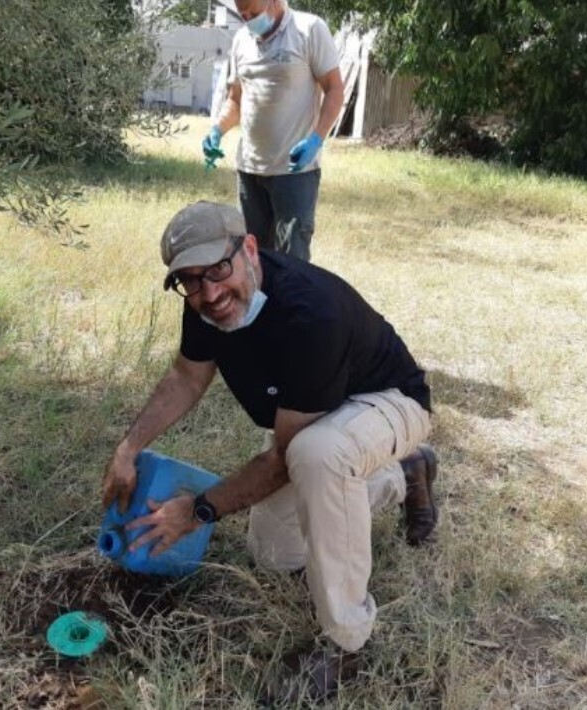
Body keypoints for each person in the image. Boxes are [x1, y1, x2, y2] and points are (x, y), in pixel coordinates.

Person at [101, 201, 439, 703]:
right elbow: (187, 375)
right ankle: (402, 476)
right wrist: (129, 448)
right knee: (277, 553)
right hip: (310, 419)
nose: (210, 293)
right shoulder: (205, 301)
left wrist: (196, 511)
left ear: (250, 249)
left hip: (388, 402)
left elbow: (283, 459)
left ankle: (346, 641)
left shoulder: (309, 313)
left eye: (218, 269)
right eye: (190, 281)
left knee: (317, 455)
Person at [202, 0, 344, 262]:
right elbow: (236, 100)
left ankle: (289, 306)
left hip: (294, 172)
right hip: (249, 171)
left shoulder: (309, 29)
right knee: (253, 260)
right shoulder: (241, 40)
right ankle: (263, 305)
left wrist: (316, 139)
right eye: (242, 15)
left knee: (293, 263)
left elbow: (335, 89)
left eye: (253, 13)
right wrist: (217, 131)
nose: (248, 20)